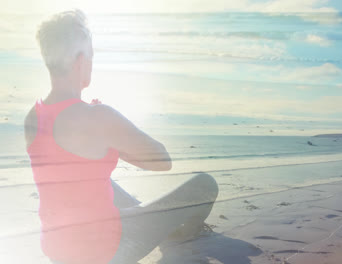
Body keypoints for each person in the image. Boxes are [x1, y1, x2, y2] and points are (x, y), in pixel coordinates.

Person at [24, 9, 218, 264]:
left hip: (59, 250)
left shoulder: (33, 117)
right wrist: (114, 134)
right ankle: (179, 235)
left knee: (97, 180)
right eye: (91, 57)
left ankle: (144, 216)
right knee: (204, 184)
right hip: (108, 252)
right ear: (80, 60)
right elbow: (162, 161)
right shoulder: (98, 116)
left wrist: (107, 140)